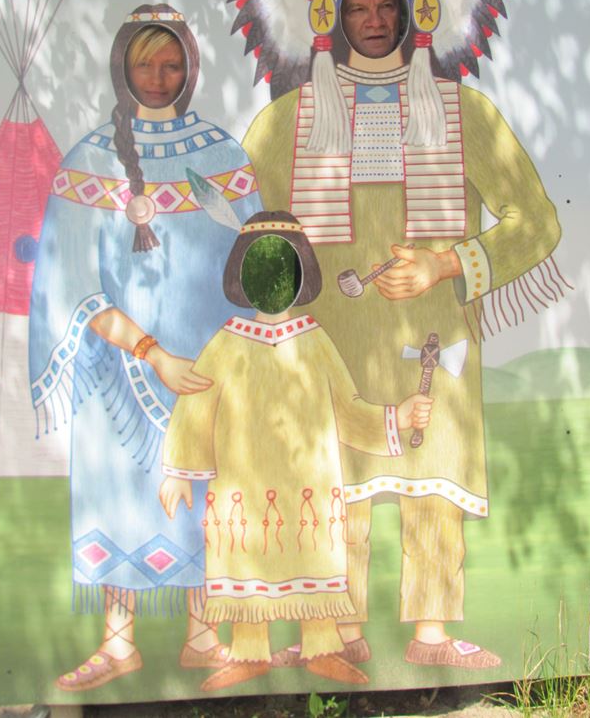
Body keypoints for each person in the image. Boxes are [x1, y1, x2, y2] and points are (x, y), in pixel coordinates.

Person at [226, 0, 566, 668]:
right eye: (359, 8)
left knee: (432, 475)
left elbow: (538, 222)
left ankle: (432, 632)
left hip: (432, 334)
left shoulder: (463, 111)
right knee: (333, 478)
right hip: (329, 338)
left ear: (415, 12)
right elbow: (242, 225)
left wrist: (449, 262)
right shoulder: (286, 122)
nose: (374, 21)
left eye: (387, 7)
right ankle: (337, 631)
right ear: (332, 16)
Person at [29, 6, 262, 691]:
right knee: (117, 492)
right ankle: (118, 642)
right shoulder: (91, 160)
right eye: (144, 63)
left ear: (190, 67)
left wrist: (234, 359)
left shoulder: (223, 157)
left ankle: (203, 635)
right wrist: (152, 351)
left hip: (207, 368)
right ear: (121, 67)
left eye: (171, 63)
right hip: (118, 369)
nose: (158, 77)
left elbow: (254, 264)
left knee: (202, 492)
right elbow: (73, 284)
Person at [159, 211, 433, 691]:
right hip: (244, 485)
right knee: (248, 555)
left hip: (310, 483)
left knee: (312, 558)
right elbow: (196, 403)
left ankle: (322, 649)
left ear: (301, 272)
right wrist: (178, 470)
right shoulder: (226, 343)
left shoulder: (314, 341)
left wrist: (399, 417)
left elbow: (348, 407)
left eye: (281, 266)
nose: (271, 278)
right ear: (241, 274)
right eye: (261, 267)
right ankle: (249, 652)